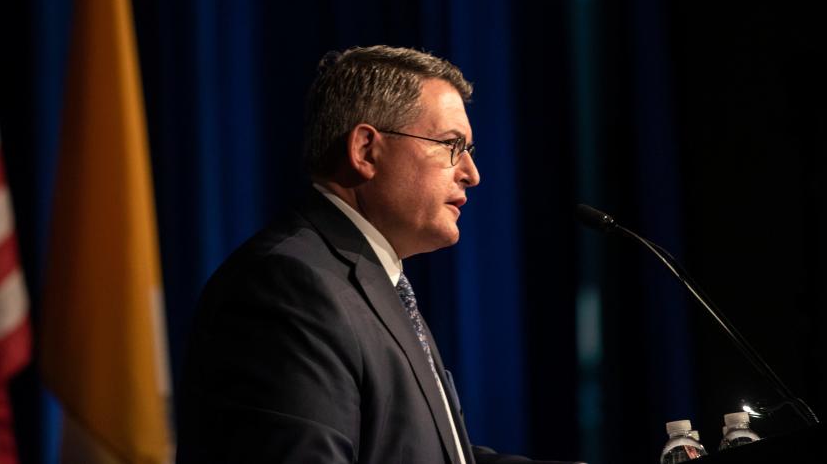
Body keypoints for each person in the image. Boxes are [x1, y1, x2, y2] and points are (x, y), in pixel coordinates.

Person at [178, 46, 561, 464]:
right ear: (365, 150)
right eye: (451, 145)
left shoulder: (373, 281)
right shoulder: (289, 286)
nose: (472, 173)